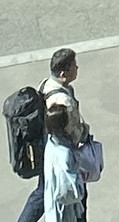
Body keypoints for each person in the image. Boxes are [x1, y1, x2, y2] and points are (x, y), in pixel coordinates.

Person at [12, 50, 82, 222]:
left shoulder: (45, 84)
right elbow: (74, 131)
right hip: (61, 149)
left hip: (45, 145)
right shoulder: (62, 101)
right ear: (64, 73)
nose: (77, 68)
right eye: (74, 66)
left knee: (43, 192)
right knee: (72, 194)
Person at [39, 89, 102, 222]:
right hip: (64, 212)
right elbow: (68, 192)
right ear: (63, 125)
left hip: (53, 205)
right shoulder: (65, 153)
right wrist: (80, 177)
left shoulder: (51, 142)